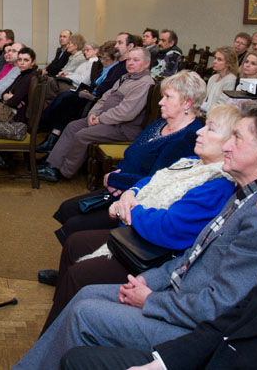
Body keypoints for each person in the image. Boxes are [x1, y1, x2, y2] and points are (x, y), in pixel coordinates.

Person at [14, 102, 257, 370]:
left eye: (237, 138)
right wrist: (146, 281)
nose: (227, 145)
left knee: (85, 312)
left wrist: (150, 299)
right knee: (87, 293)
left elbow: (218, 308)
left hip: (193, 328)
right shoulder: (246, 191)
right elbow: (192, 258)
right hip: (177, 297)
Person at [59, 147, 257, 370]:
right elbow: (231, 322)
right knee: (77, 357)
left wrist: (151, 300)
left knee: (83, 332)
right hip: (201, 342)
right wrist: (162, 363)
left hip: (205, 342)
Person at [39, 105, 240, 332]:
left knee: (80, 273)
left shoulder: (218, 183)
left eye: (210, 129)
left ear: (230, 145)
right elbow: (153, 179)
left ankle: (59, 331)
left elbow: (171, 229)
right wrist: (130, 193)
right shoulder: (193, 162)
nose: (200, 132)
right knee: (74, 242)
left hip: (158, 254)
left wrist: (131, 210)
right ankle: (62, 308)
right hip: (140, 229)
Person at [45, 71, 206, 241]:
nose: (160, 102)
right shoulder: (160, 123)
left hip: (138, 202)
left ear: (187, 103)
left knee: (75, 226)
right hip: (121, 186)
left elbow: (156, 181)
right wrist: (117, 177)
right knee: (68, 208)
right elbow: (132, 153)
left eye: (167, 97)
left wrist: (115, 179)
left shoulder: (187, 138)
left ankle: (83, 259)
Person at [37, 48, 155, 182]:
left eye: (136, 60)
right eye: (128, 59)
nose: (130, 63)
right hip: (106, 120)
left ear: (147, 63)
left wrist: (100, 119)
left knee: (83, 135)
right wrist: (93, 114)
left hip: (123, 128)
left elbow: (125, 113)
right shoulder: (126, 77)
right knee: (73, 126)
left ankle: (64, 172)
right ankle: (52, 165)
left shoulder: (145, 83)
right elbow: (104, 98)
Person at [200, 46, 238, 114]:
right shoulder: (213, 77)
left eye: (219, 59)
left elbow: (221, 106)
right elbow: (205, 99)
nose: (214, 61)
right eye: (215, 58)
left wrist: (199, 104)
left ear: (228, 63)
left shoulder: (230, 80)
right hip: (206, 112)